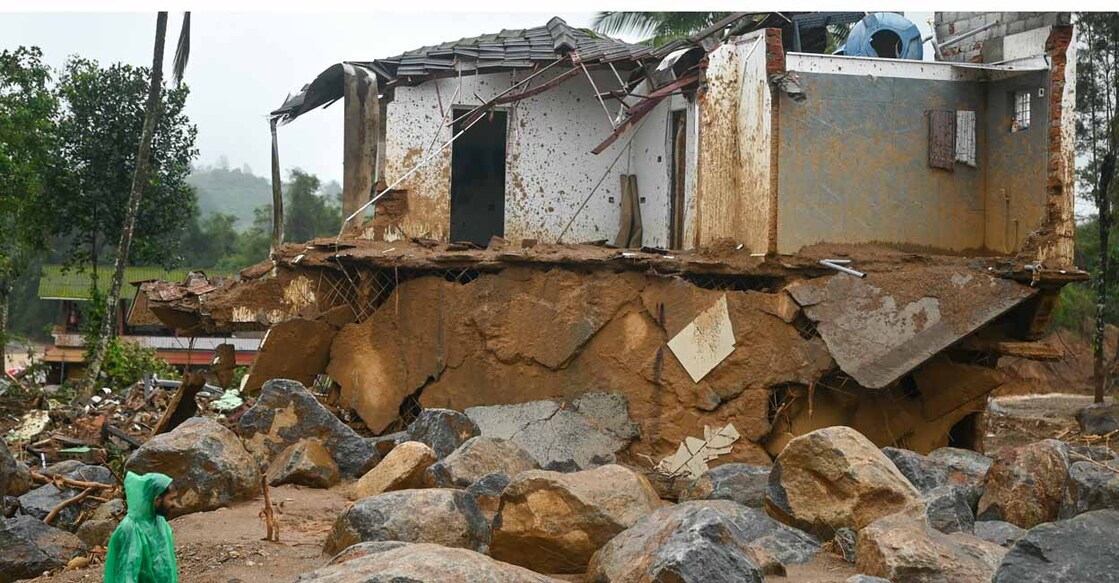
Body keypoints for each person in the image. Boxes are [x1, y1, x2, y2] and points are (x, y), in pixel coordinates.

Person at [103, 471, 179, 582]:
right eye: (171, 499)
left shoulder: (160, 522)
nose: (174, 504)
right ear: (157, 499)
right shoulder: (130, 528)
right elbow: (126, 574)